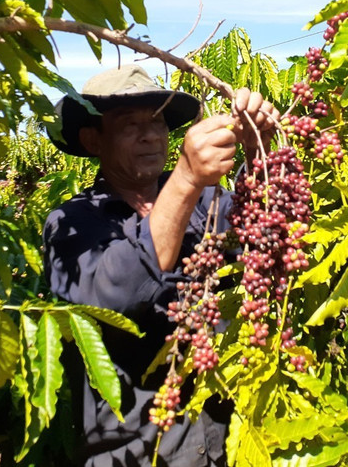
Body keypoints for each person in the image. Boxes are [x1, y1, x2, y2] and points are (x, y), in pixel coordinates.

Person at [42, 64, 278, 467]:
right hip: (132, 452)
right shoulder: (72, 222)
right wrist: (185, 180)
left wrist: (259, 152)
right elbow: (113, 297)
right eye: (129, 124)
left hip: (223, 443)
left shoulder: (211, 202)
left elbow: (267, 244)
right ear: (92, 139)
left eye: (157, 122)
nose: (150, 134)